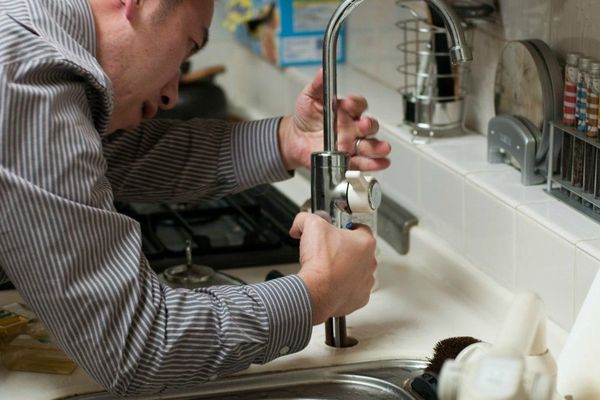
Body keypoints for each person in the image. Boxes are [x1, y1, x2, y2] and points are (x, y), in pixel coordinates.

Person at [0, 0, 391, 396]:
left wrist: (288, 140)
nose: (171, 94)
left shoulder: (27, 35)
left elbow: (117, 158)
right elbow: (136, 347)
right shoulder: (28, 79)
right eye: (188, 46)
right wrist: (317, 293)